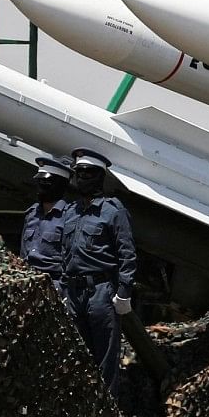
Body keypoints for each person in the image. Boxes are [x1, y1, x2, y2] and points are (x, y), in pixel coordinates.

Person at [60, 149, 136, 397]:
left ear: (99, 177)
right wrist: (63, 288)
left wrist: (124, 293)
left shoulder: (113, 211)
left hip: (101, 292)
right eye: (79, 173)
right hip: (74, 291)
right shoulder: (71, 212)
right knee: (77, 354)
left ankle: (108, 414)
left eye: (88, 174)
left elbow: (127, 253)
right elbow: (65, 252)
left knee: (105, 357)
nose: (82, 178)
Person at [20, 155, 72, 285]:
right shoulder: (32, 214)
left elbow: (71, 261)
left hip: (52, 284)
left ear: (60, 185)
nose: (41, 187)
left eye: (46, 182)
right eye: (39, 182)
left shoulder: (70, 217)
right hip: (26, 282)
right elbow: (23, 252)